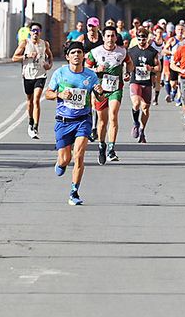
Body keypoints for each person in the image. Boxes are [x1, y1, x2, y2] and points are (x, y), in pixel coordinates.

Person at [48, 44, 98, 205]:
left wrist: (100, 91)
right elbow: (48, 93)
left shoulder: (91, 76)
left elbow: (100, 96)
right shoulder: (60, 73)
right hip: (63, 121)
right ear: (68, 57)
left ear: (84, 56)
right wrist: (59, 94)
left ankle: (74, 191)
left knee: (79, 155)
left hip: (83, 120)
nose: (76, 55)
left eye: (79, 52)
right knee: (65, 159)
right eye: (73, 53)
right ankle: (61, 162)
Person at [87, 27, 129, 164]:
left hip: (116, 88)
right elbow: (86, 68)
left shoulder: (122, 51)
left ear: (116, 38)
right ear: (103, 37)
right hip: (101, 89)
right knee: (102, 121)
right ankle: (102, 145)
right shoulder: (96, 52)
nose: (110, 39)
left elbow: (129, 63)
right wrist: (96, 69)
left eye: (112, 36)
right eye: (108, 36)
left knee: (113, 116)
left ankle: (111, 149)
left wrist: (128, 73)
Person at [12, 23, 53, 140]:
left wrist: (48, 65)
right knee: (29, 101)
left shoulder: (45, 44)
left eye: (37, 31)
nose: (35, 33)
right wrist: (27, 55)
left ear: (40, 32)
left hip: (40, 75)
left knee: (36, 100)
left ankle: (35, 126)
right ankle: (30, 121)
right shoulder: (25, 43)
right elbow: (14, 57)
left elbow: (50, 56)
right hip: (28, 75)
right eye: (33, 31)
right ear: (30, 32)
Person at [127, 29, 160, 143]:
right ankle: (136, 123)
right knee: (136, 104)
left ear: (147, 39)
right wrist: (127, 73)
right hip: (135, 81)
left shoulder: (153, 52)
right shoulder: (131, 51)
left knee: (145, 108)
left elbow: (158, 68)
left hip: (147, 82)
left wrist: (151, 69)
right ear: (136, 38)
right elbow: (127, 65)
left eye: (144, 39)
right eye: (139, 39)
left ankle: (142, 129)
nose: (141, 41)